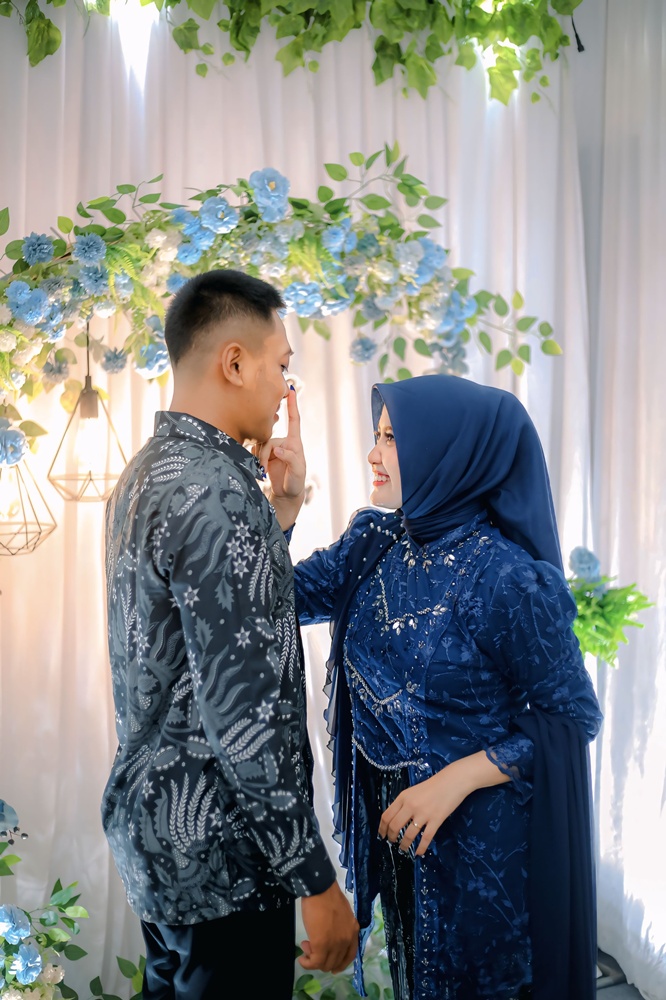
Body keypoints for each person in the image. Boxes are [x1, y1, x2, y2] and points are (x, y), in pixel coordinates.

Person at [265, 374, 602, 1000]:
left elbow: (573, 716)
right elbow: (271, 602)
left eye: (393, 439)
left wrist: (457, 778)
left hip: (482, 850)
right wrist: (283, 511)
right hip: (404, 844)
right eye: (377, 437)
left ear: (449, 454)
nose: (373, 454)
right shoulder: (374, 543)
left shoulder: (506, 579)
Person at [102, 269, 358, 1000]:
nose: (285, 390)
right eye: (282, 366)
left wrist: (282, 511)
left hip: (159, 846)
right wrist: (314, 879)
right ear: (235, 362)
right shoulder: (216, 492)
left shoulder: (147, 474)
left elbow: (201, 639)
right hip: (224, 859)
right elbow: (243, 715)